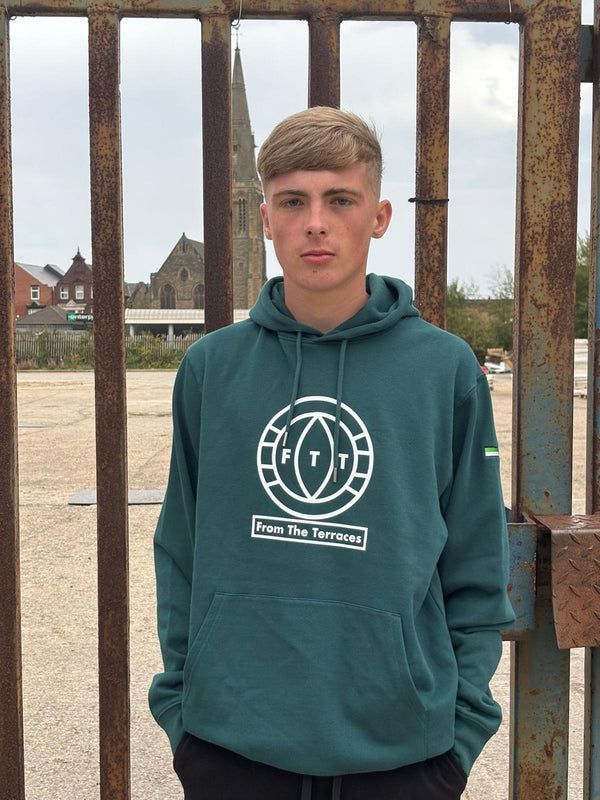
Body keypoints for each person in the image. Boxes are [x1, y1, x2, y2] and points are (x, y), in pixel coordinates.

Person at [149, 107, 515, 800]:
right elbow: (181, 548)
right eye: (294, 201)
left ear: (377, 217)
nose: (315, 222)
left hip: (406, 755)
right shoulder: (210, 367)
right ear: (265, 219)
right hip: (231, 747)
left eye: (339, 200)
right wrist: (183, 712)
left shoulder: (446, 370)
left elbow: (476, 557)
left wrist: (460, 734)